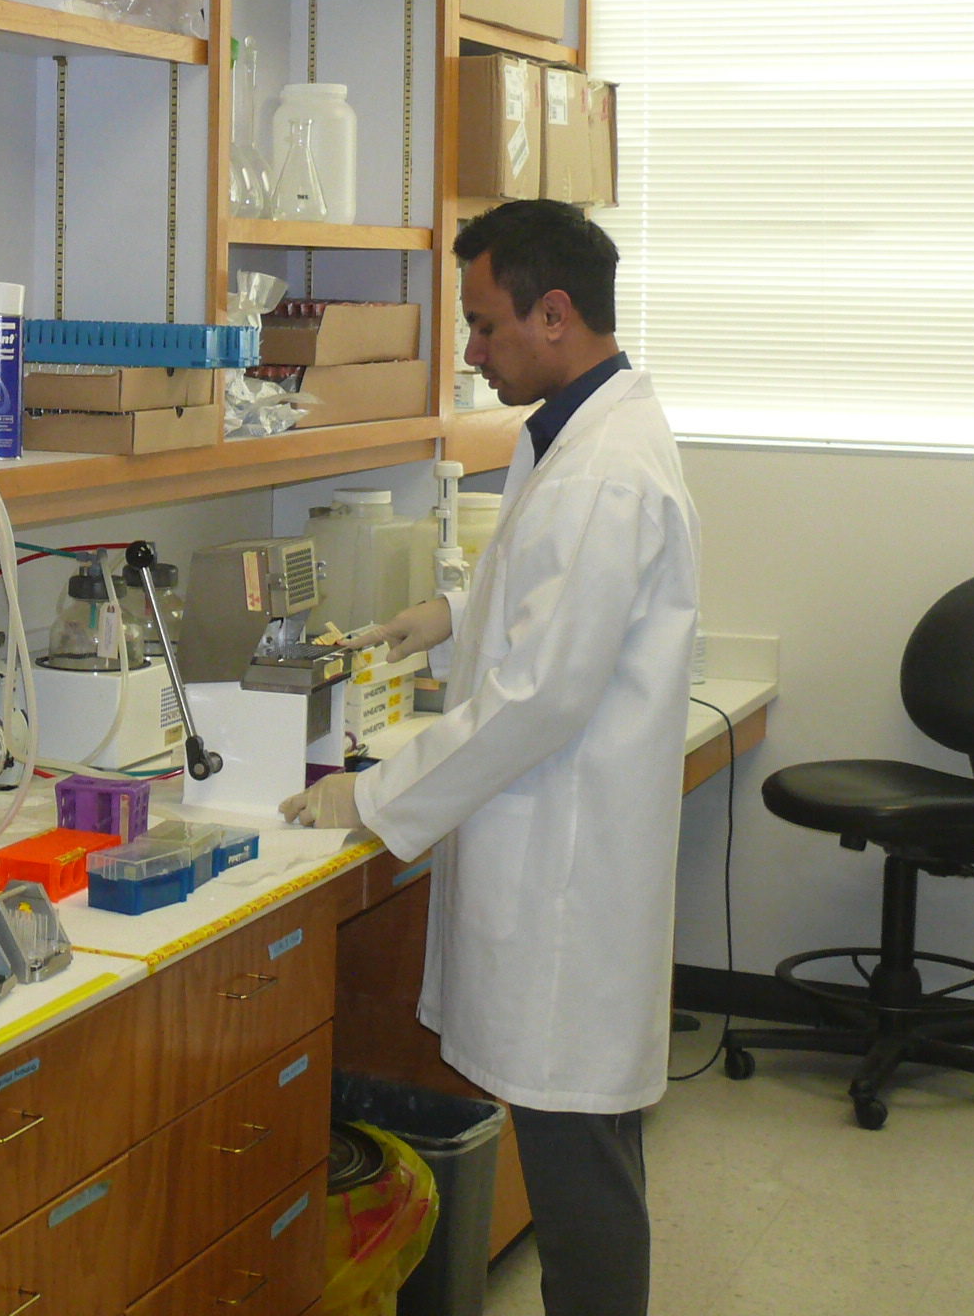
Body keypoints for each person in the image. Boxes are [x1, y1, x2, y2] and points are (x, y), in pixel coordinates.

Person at [280, 199, 699, 1316]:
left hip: (567, 879)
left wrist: (370, 797)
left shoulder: (607, 467)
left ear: (553, 315)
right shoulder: (575, 430)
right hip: (555, 848)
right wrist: (449, 614)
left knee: (581, 1178)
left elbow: (538, 697)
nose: (469, 352)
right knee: (582, 1156)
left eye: (482, 325)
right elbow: (546, 596)